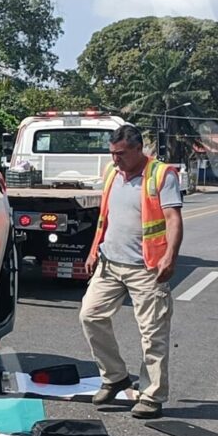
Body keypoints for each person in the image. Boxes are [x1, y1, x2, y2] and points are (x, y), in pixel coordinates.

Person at [80, 124, 183, 419]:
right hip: (110, 264)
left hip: (146, 269)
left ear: (140, 149)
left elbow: (173, 219)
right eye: (113, 154)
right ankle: (114, 377)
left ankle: (151, 395)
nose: (116, 160)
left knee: (153, 334)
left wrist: (170, 257)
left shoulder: (162, 175)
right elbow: (105, 217)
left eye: (122, 154)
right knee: (90, 315)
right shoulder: (112, 173)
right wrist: (93, 250)